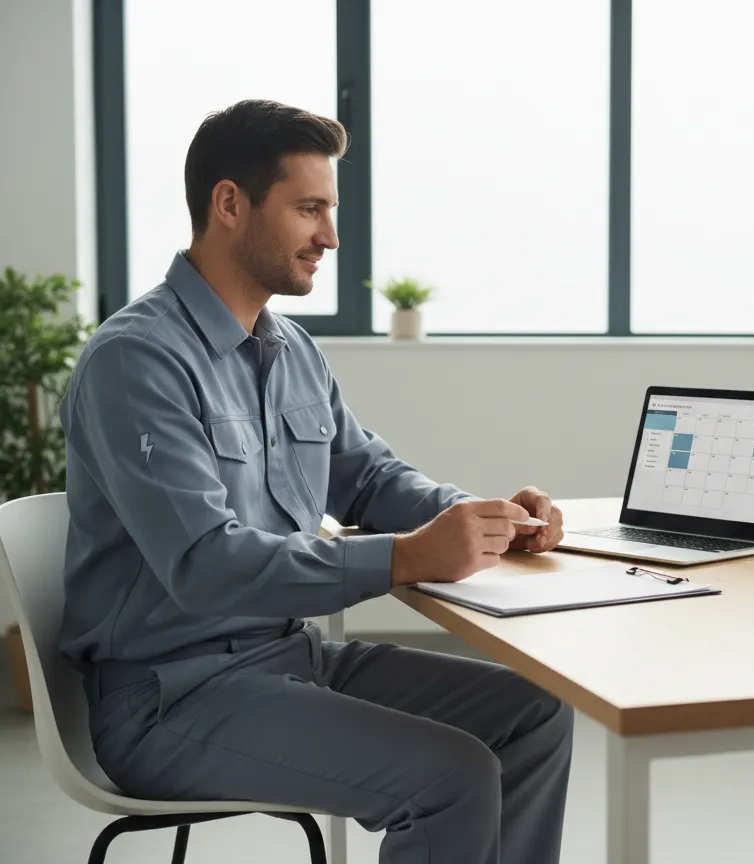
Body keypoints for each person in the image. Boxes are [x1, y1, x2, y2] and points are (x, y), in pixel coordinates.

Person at [57, 99, 574, 864]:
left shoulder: (293, 350)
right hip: (169, 699)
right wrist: (404, 558)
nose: (330, 236)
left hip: (290, 660)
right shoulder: (136, 361)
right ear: (229, 204)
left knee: (534, 715)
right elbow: (204, 564)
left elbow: (369, 479)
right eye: (308, 209)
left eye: (330, 211)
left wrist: (484, 519)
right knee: (452, 777)